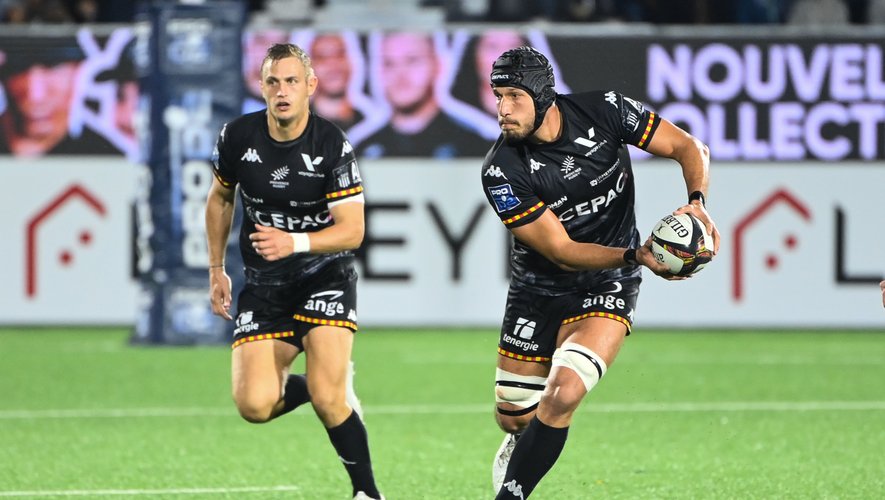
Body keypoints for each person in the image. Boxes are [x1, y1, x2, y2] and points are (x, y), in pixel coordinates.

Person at [479, 46, 721, 499]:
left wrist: (697, 204)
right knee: (514, 415)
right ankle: (522, 443)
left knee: (563, 394)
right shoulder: (501, 170)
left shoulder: (605, 110)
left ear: (542, 95)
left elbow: (689, 147)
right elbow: (562, 251)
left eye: (514, 96)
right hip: (539, 288)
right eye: (498, 97)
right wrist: (637, 255)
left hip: (609, 281)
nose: (503, 109)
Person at [205, 43, 384, 500]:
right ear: (261, 86)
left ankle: (367, 493)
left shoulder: (330, 144)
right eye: (273, 82)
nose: (282, 91)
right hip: (265, 286)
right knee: (254, 406)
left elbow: (353, 231)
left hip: (324, 277)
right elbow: (220, 198)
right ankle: (318, 385)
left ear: (311, 86)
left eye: (291, 81)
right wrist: (216, 267)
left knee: (330, 399)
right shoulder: (237, 137)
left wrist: (295, 242)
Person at [357, 31, 489, 159]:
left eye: (412, 60)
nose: (400, 75)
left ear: (438, 66)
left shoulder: (474, 147)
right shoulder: (363, 151)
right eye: (389, 64)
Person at [309, 33, 365, 132]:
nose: (332, 65)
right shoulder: (294, 125)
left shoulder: (369, 123)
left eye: (340, 55)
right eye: (321, 57)